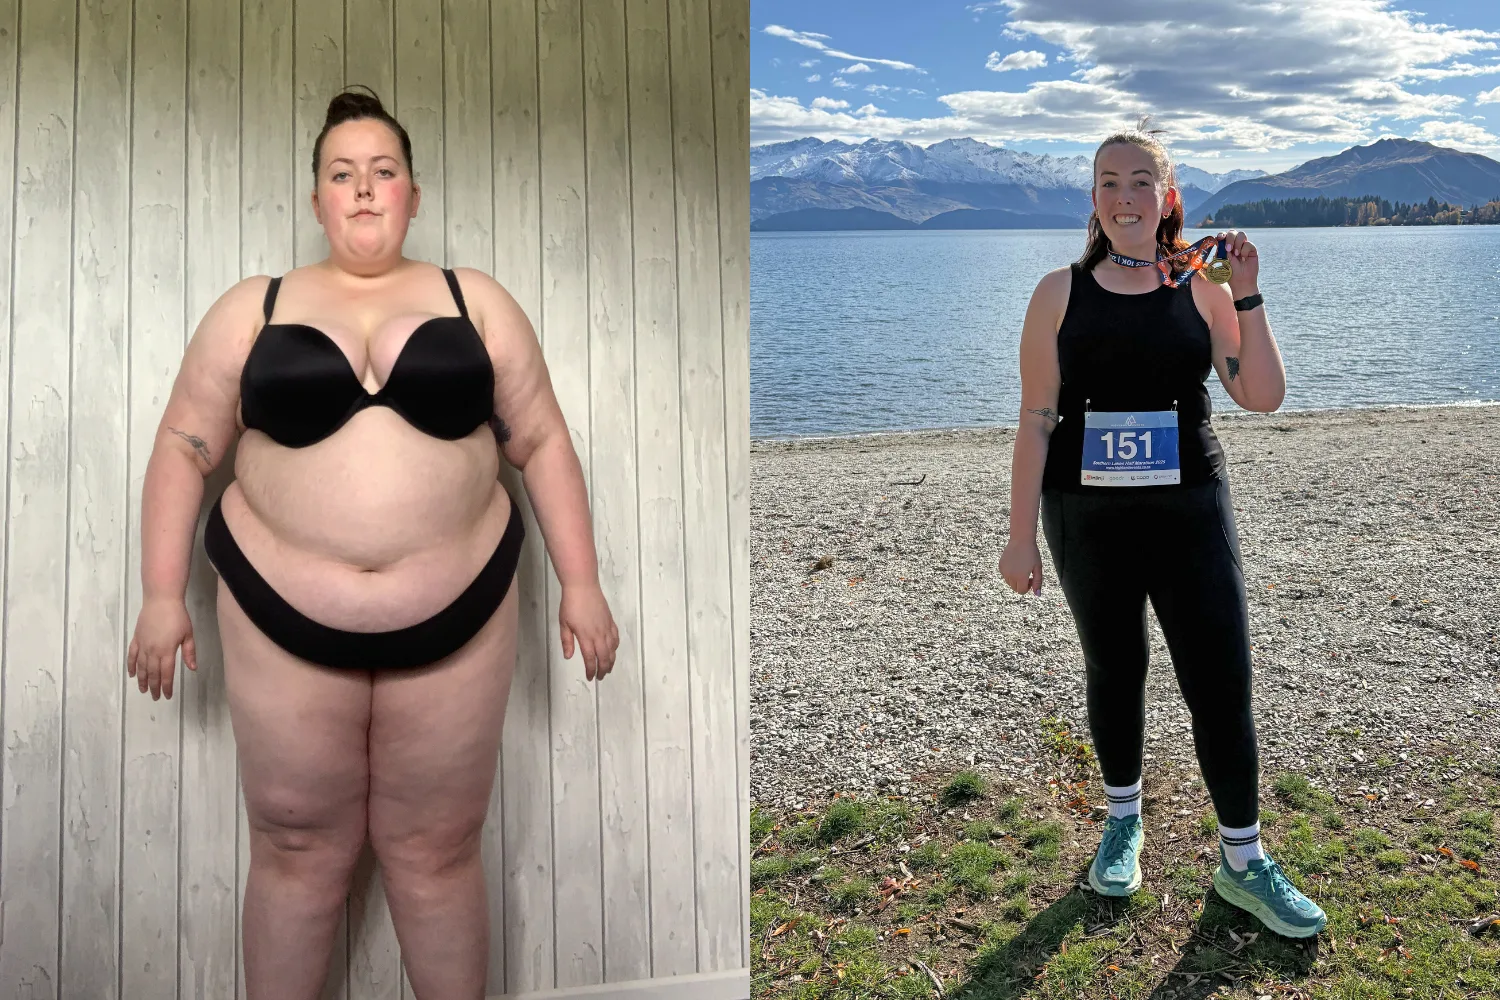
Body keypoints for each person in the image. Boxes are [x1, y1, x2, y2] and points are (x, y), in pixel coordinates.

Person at [126, 85, 620, 999]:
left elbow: (542, 439)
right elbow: (185, 447)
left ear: (412, 194)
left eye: (382, 172)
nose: (362, 189)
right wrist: (163, 595)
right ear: (316, 198)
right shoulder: (256, 307)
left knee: (436, 849)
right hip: (280, 613)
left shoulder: (475, 300)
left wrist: (581, 582)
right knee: (294, 846)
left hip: (460, 609)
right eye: (341, 174)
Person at [997, 121, 1326, 939]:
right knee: (1115, 667)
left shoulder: (1200, 282)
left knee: (1220, 676)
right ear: (1095, 202)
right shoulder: (1057, 293)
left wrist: (1248, 292)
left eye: (1141, 180)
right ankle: (1121, 822)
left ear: (1168, 197)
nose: (1124, 196)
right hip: (1086, 515)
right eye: (1108, 181)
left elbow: (1262, 395)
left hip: (1191, 512)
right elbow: (1037, 417)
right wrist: (1018, 535)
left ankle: (1243, 861)